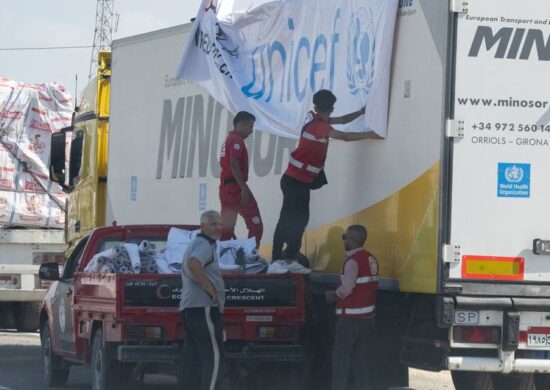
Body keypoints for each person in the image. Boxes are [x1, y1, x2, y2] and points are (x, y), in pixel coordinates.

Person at [272, 89, 369, 261]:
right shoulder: (321, 126)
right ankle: (282, 259)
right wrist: (371, 135)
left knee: (292, 219)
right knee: (295, 221)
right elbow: (343, 136)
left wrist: (361, 112)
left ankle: (284, 257)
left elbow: (343, 120)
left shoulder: (315, 119)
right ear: (332, 108)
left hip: (295, 180)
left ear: (316, 107)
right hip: (297, 182)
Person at [325, 224, 379, 390]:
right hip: (366, 319)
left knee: (340, 361)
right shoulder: (371, 259)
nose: (343, 241)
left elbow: (346, 290)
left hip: (349, 320)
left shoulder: (352, 262)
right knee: (358, 359)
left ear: (353, 241)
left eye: (345, 238)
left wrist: (331, 295)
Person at [179, 210, 225, 390]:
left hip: (190, 308)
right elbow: (193, 264)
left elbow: (199, 267)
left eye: (220, 224)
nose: (218, 228)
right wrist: (210, 288)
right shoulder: (204, 244)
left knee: (191, 360)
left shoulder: (198, 243)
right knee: (214, 358)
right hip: (202, 307)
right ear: (203, 226)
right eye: (213, 224)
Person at [219, 111, 263, 246]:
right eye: (250, 127)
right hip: (236, 188)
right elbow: (234, 163)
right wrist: (243, 188)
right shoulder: (236, 140)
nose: (251, 131)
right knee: (255, 224)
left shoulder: (228, 139)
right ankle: (250, 254)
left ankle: (221, 257)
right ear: (242, 124)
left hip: (226, 189)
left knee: (226, 229)